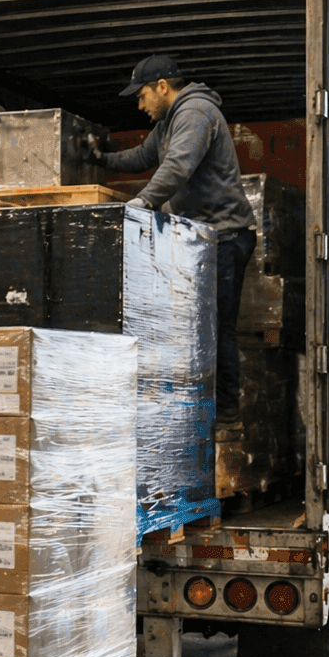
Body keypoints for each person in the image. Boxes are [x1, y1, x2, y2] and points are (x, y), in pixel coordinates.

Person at [90, 53, 258, 433]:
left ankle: (227, 415)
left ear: (162, 87)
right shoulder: (168, 121)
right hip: (199, 239)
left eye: (142, 95)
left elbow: (178, 165)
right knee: (192, 329)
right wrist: (100, 159)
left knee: (216, 328)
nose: (140, 104)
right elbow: (144, 156)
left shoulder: (195, 113)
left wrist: (144, 201)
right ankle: (196, 408)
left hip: (225, 236)